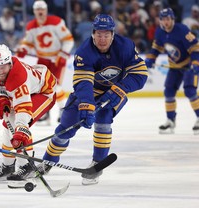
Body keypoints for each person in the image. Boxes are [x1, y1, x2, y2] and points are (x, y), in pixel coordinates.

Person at [36, 14, 148, 185]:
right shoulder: (84, 52)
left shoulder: (125, 46)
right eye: (99, 34)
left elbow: (140, 75)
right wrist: (87, 105)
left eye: (106, 34)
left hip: (115, 92)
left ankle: (98, 163)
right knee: (65, 128)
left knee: (103, 122)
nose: (102, 39)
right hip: (87, 93)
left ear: (112, 34)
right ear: (93, 34)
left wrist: (119, 89)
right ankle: (49, 160)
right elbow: (83, 83)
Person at [0, 44, 57, 182]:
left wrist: (21, 128)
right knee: (7, 125)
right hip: (24, 91)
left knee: (18, 127)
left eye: (3, 66)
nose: (0, 71)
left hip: (43, 92)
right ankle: (8, 166)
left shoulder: (18, 75)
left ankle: (26, 165)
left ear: (10, 63)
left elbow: (23, 106)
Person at [16, 0, 74, 124]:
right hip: (42, 60)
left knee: (55, 86)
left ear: (46, 10)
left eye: (42, 9)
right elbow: (28, 42)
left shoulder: (56, 22)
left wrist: (63, 54)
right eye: (38, 10)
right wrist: (23, 49)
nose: (40, 12)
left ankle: (64, 111)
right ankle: (44, 114)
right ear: (34, 11)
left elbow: (68, 40)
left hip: (57, 59)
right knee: (41, 88)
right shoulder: (31, 26)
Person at [145, 8, 199, 134]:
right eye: (163, 19)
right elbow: (156, 49)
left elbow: (195, 48)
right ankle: (170, 120)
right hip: (174, 67)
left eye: (168, 19)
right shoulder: (160, 32)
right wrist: (150, 59)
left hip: (188, 65)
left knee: (190, 90)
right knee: (168, 91)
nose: (165, 22)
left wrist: (196, 63)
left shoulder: (182, 30)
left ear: (173, 19)